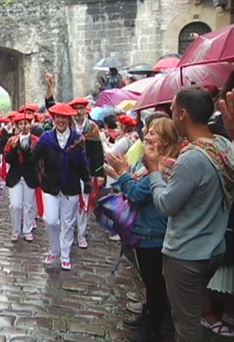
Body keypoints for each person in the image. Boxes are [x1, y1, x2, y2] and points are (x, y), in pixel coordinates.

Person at [145, 86, 234, 342]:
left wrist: (153, 172)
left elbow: (165, 205)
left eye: (172, 111)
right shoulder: (223, 145)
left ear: (183, 114)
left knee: (186, 326)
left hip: (186, 254)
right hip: (213, 247)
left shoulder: (192, 158)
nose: (171, 117)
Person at [105, 117, 180, 342]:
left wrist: (122, 173)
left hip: (153, 233)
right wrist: (124, 173)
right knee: (151, 282)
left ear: (166, 140)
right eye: (147, 131)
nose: (146, 136)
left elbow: (138, 193)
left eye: (153, 133)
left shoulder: (164, 166)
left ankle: (152, 329)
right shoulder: (152, 162)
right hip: (147, 230)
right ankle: (149, 317)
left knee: (155, 283)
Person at [36, 103, 91, 271]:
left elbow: (83, 162)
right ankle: (54, 249)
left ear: (68, 119)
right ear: (53, 118)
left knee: (68, 223)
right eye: (57, 117)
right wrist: (41, 174)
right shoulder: (45, 138)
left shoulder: (77, 139)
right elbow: (35, 157)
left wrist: (86, 181)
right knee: (50, 219)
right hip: (51, 185)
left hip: (71, 186)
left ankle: (65, 254)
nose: (60, 120)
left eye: (63, 117)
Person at [70, 97, 104, 249]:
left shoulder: (92, 128)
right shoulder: (68, 126)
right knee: (70, 203)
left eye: (80, 109)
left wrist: (99, 173)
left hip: (86, 170)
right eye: (75, 109)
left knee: (84, 203)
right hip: (69, 170)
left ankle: (81, 234)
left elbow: (98, 152)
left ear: (85, 110)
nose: (78, 112)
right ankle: (70, 231)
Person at [4, 113, 39, 242]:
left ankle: (27, 230)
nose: (24, 126)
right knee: (15, 205)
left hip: (29, 175)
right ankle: (15, 230)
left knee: (29, 205)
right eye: (21, 124)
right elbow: (7, 159)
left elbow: (35, 159)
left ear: (30, 125)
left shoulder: (35, 140)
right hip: (15, 175)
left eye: (26, 123)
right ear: (17, 126)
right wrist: (13, 149)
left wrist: (27, 150)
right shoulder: (11, 140)